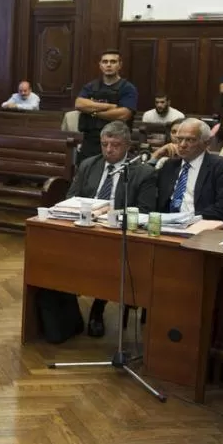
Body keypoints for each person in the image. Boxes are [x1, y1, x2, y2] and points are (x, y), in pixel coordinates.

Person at [66, 122, 158, 337]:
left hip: (117, 235)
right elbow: (71, 197)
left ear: (127, 145)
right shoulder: (89, 164)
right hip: (85, 228)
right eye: (104, 144)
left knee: (108, 258)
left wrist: (111, 213)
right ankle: (65, 311)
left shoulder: (143, 172)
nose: (108, 149)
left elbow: (145, 211)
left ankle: (98, 307)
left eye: (115, 145)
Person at [155, 118, 223, 231]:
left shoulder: (222, 167)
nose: (182, 145)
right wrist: (155, 157)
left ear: (206, 143)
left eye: (190, 140)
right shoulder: (169, 165)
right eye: (179, 139)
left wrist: (187, 218)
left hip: (204, 227)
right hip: (168, 226)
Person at [75, 50, 137, 162]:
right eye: (105, 61)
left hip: (116, 142)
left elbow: (124, 114)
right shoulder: (91, 86)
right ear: (100, 65)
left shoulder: (127, 88)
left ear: (120, 65)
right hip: (90, 142)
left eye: (113, 61)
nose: (108, 65)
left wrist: (92, 111)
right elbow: (79, 104)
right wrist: (110, 107)